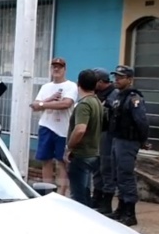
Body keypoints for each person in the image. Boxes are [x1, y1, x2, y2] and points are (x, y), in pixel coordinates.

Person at [107, 65, 150, 226]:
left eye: (121, 77)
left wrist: (143, 140)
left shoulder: (133, 98)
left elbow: (142, 121)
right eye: (116, 77)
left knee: (126, 176)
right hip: (117, 139)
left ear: (130, 79)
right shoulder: (118, 96)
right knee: (117, 175)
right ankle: (120, 209)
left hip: (128, 141)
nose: (117, 79)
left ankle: (130, 213)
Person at [31, 57, 79, 196]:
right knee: (46, 160)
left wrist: (42, 104)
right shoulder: (46, 87)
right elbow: (34, 105)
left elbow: (66, 104)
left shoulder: (71, 86)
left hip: (63, 129)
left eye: (59, 67)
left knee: (62, 161)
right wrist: (49, 100)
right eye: (54, 67)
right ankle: (47, 191)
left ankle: (61, 192)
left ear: (65, 69)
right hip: (46, 125)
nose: (56, 69)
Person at [64, 69, 103, 207]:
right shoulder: (97, 102)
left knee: (78, 196)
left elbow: (80, 129)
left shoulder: (84, 104)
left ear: (78, 83)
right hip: (93, 153)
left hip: (82, 154)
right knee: (85, 192)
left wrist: (70, 147)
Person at [91, 68, 118, 212]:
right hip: (98, 133)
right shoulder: (97, 93)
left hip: (108, 134)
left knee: (107, 167)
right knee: (97, 167)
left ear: (101, 82)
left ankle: (106, 202)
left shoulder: (114, 94)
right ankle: (96, 196)